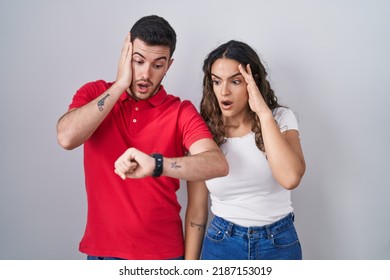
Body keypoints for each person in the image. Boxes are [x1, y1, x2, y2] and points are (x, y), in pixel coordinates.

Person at [56, 15, 228, 260]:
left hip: (164, 258)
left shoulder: (180, 111)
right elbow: (66, 137)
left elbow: (217, 164)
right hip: (103, 256)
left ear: (169, 65)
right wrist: (118, 86)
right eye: (138, 61)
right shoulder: (95, 94)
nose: (146, 74)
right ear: (126, 56)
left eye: (158, 65)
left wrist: (158, 164)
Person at [188, 40, 306, 260]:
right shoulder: (203, 131)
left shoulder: (280, 118)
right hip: (222, 244)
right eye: (216, 81)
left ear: (253, 83)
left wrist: (262, 112)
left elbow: (290, 178)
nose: (224, 91)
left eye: (235, 81)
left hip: (279, 243)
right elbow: (196, 211)